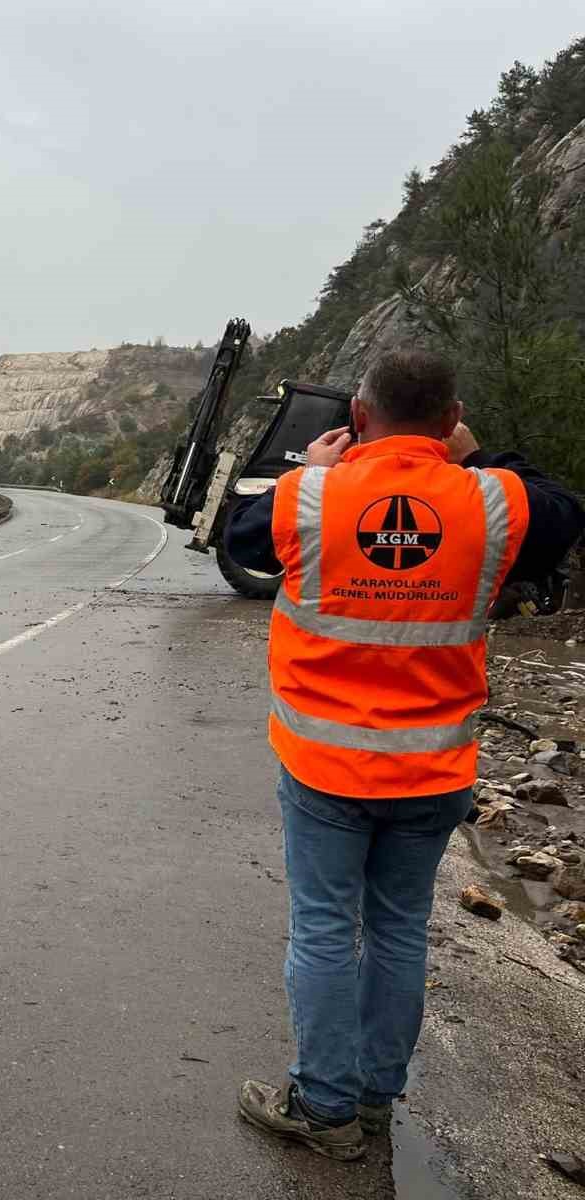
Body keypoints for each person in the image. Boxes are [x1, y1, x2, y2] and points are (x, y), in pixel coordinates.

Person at [224, 349, 584, 1161]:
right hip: (435, 769)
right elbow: (566, 508)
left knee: (323, 930)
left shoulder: (310, 496)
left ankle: (323, 1106)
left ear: (357, 415)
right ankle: (376, 1101)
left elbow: (241, 539)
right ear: (452, 419)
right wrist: (476, 455)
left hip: (324, 767)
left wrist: (305, 466)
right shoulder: (494, 501)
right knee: (397, 931)